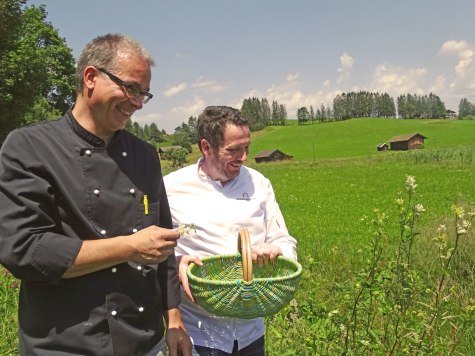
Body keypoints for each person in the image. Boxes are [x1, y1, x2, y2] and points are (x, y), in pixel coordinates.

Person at [0, 34, 192, 356]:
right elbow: (25, 250)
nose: (138, 103)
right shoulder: (30, 147)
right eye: (131, 88)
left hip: (146, 340)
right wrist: (129, 247)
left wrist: (174, 319)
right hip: (66, 344)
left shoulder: (145, 155)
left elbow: (164, 247)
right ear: (91, 78)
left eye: (144, 94)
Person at [163, 106, 297, 355]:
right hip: (198, 334)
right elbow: (149, 251)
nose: (243, 157)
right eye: (233, 150)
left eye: (246, 148)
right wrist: (176, 262)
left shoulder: (258, 183)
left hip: (250, 332)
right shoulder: (171, 188)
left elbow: (283, 238)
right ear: (206, 147)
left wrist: (276, 250)